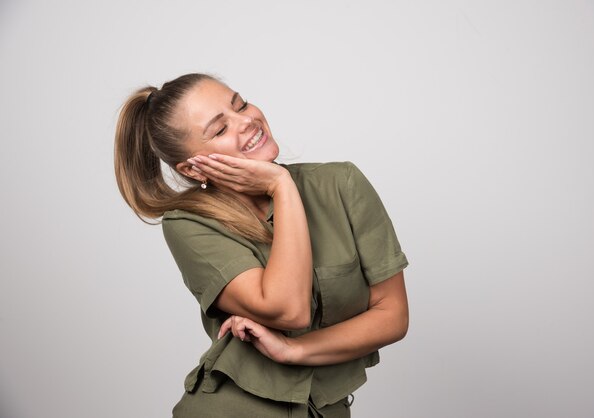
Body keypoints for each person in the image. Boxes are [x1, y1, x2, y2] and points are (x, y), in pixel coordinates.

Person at [114, 73, 409, 418]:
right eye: (220, 129)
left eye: (241, 105)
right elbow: (288, 308)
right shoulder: (188, 223)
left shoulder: (341, 185)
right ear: (193, 170)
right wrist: (281, 185)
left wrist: (294, 350)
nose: (247, 121)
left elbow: (393, 316)